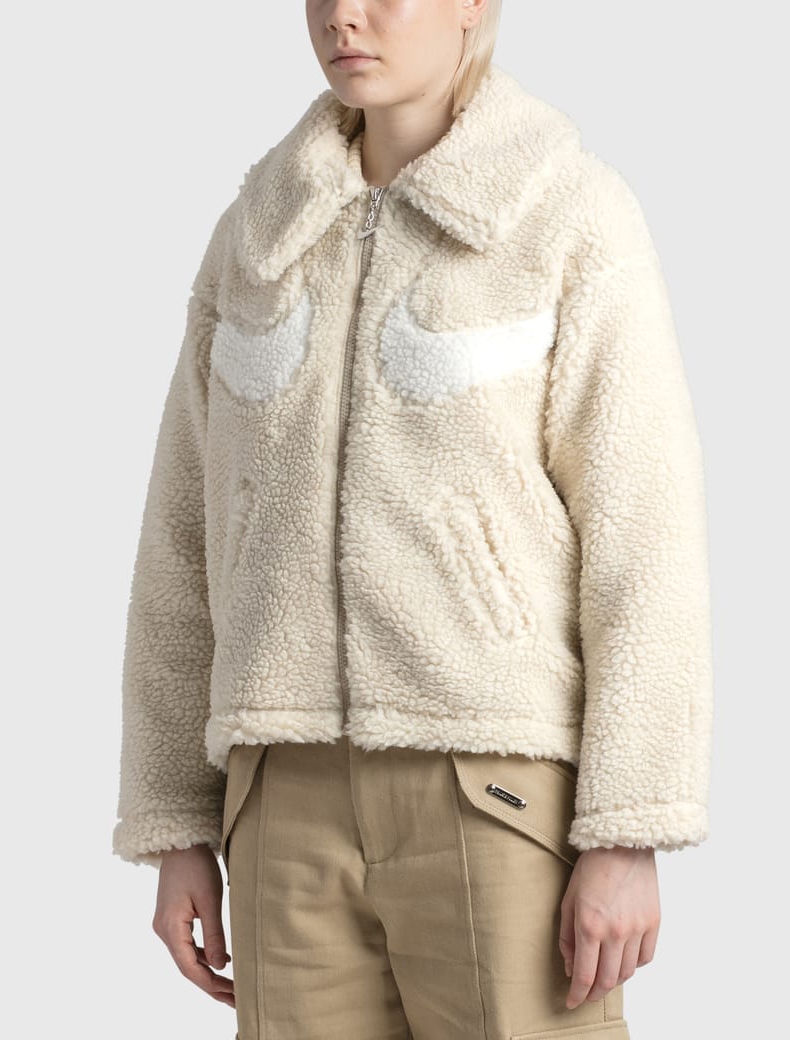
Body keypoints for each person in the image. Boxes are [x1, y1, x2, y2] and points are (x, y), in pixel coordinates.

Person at [112, 2, 714, 1038]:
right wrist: (173, 820)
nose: (344, 16)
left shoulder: (568, 213)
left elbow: (643, 536)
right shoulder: (256, 231)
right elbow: (180, 537)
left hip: (494, 788)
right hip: (281, 792)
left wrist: (627, 828)